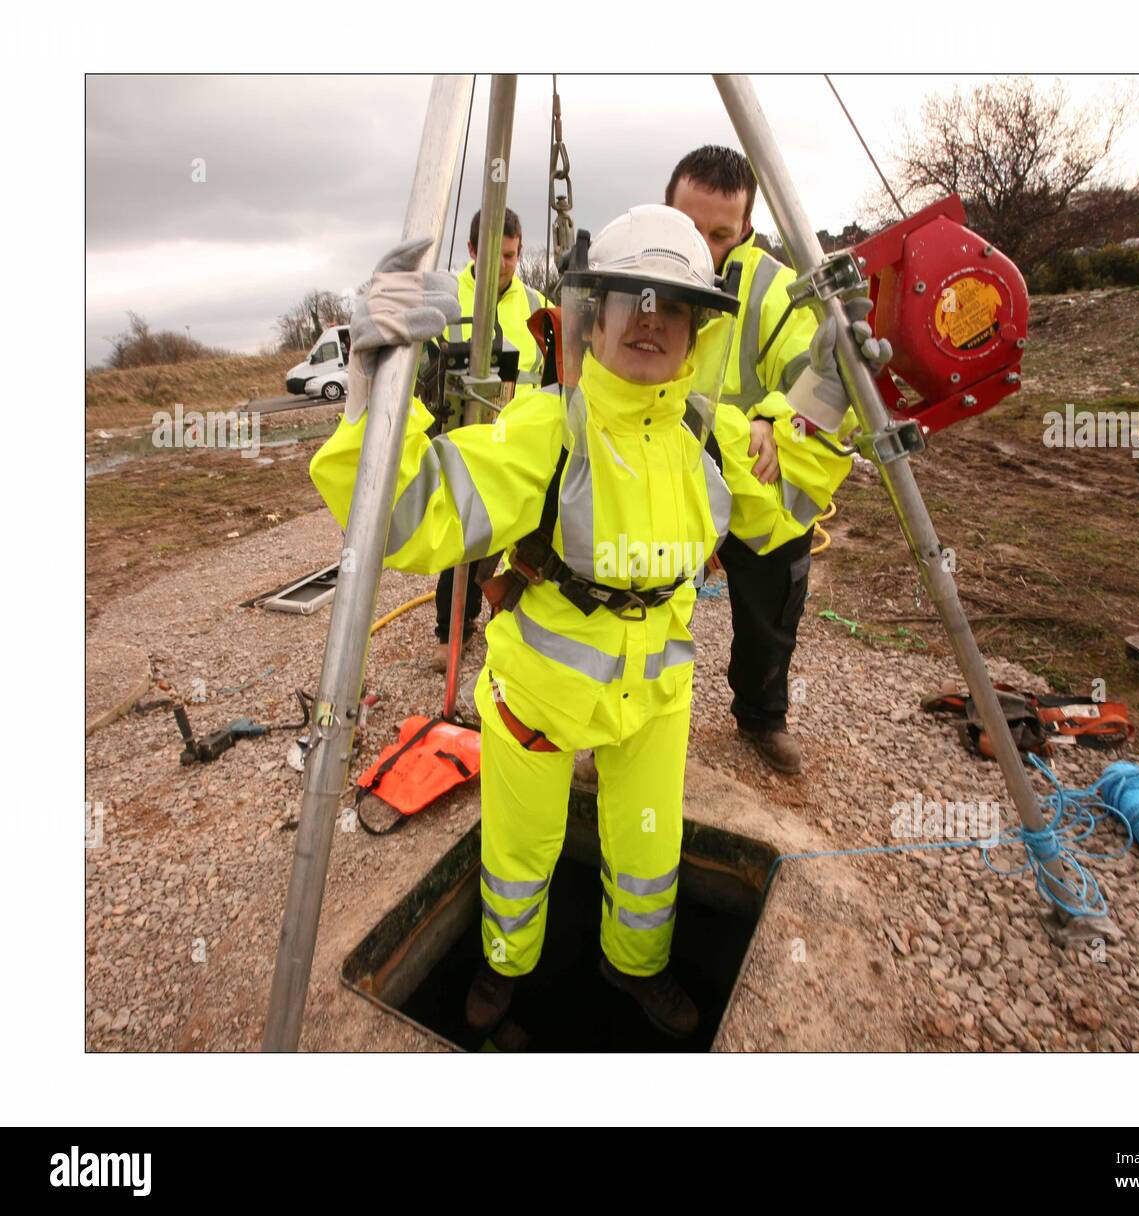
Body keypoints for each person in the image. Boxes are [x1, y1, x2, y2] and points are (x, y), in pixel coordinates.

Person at [311, 205, 855, 1040]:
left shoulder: (709, 440)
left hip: (657, 703)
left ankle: (632, 971)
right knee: (520, 859)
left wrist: (829, 387)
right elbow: (403, 515)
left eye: (671, 304)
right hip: (536, 704)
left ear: (699, 330)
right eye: (629, 298)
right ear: (591, 317)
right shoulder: (544, 432)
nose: (649, 318)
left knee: (647, 861)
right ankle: (502, 974)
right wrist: (375, 389)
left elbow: (787, 503)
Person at [665, 146, 890, 774]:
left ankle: (762, 716)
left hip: (754, 484)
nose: (706, 247)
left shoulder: (772, 286)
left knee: (771, 616)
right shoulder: (644, 275)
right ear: (666, 213)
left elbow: (810, 372)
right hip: (671, 482)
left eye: (721, 233)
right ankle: (630, 730)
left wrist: (767, 413)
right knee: (646, 607)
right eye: (691, 228)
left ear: (745, 231)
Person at [426, 207, 552, 673]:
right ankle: (451, 632)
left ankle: (517, 624)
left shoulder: (535, 302)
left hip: (517, 442)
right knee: (461, 541)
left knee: (520, 536)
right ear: (473, 250)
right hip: (461, 440)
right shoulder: (445, 300)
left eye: (513, 255)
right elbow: (425, 373)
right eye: (497, 254)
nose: (506, 265)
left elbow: (548, 376)